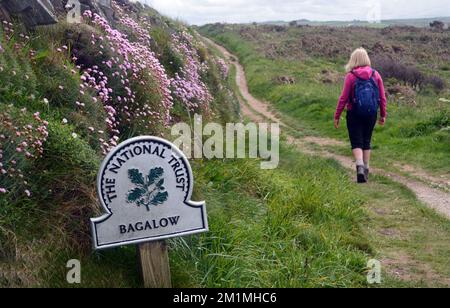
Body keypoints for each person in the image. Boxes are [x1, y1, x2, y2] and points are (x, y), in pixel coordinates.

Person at [334, 48, 387, 183]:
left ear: (353, 60)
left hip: (353, 113)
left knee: (356, 140)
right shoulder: (376, 74)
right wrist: (382, 114)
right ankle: (366, 169)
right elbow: (382, 97)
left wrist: (337, 115)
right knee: (366, 141)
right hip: (371, 113)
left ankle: (359, 167)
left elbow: (343, 98)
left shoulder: (351, 76)